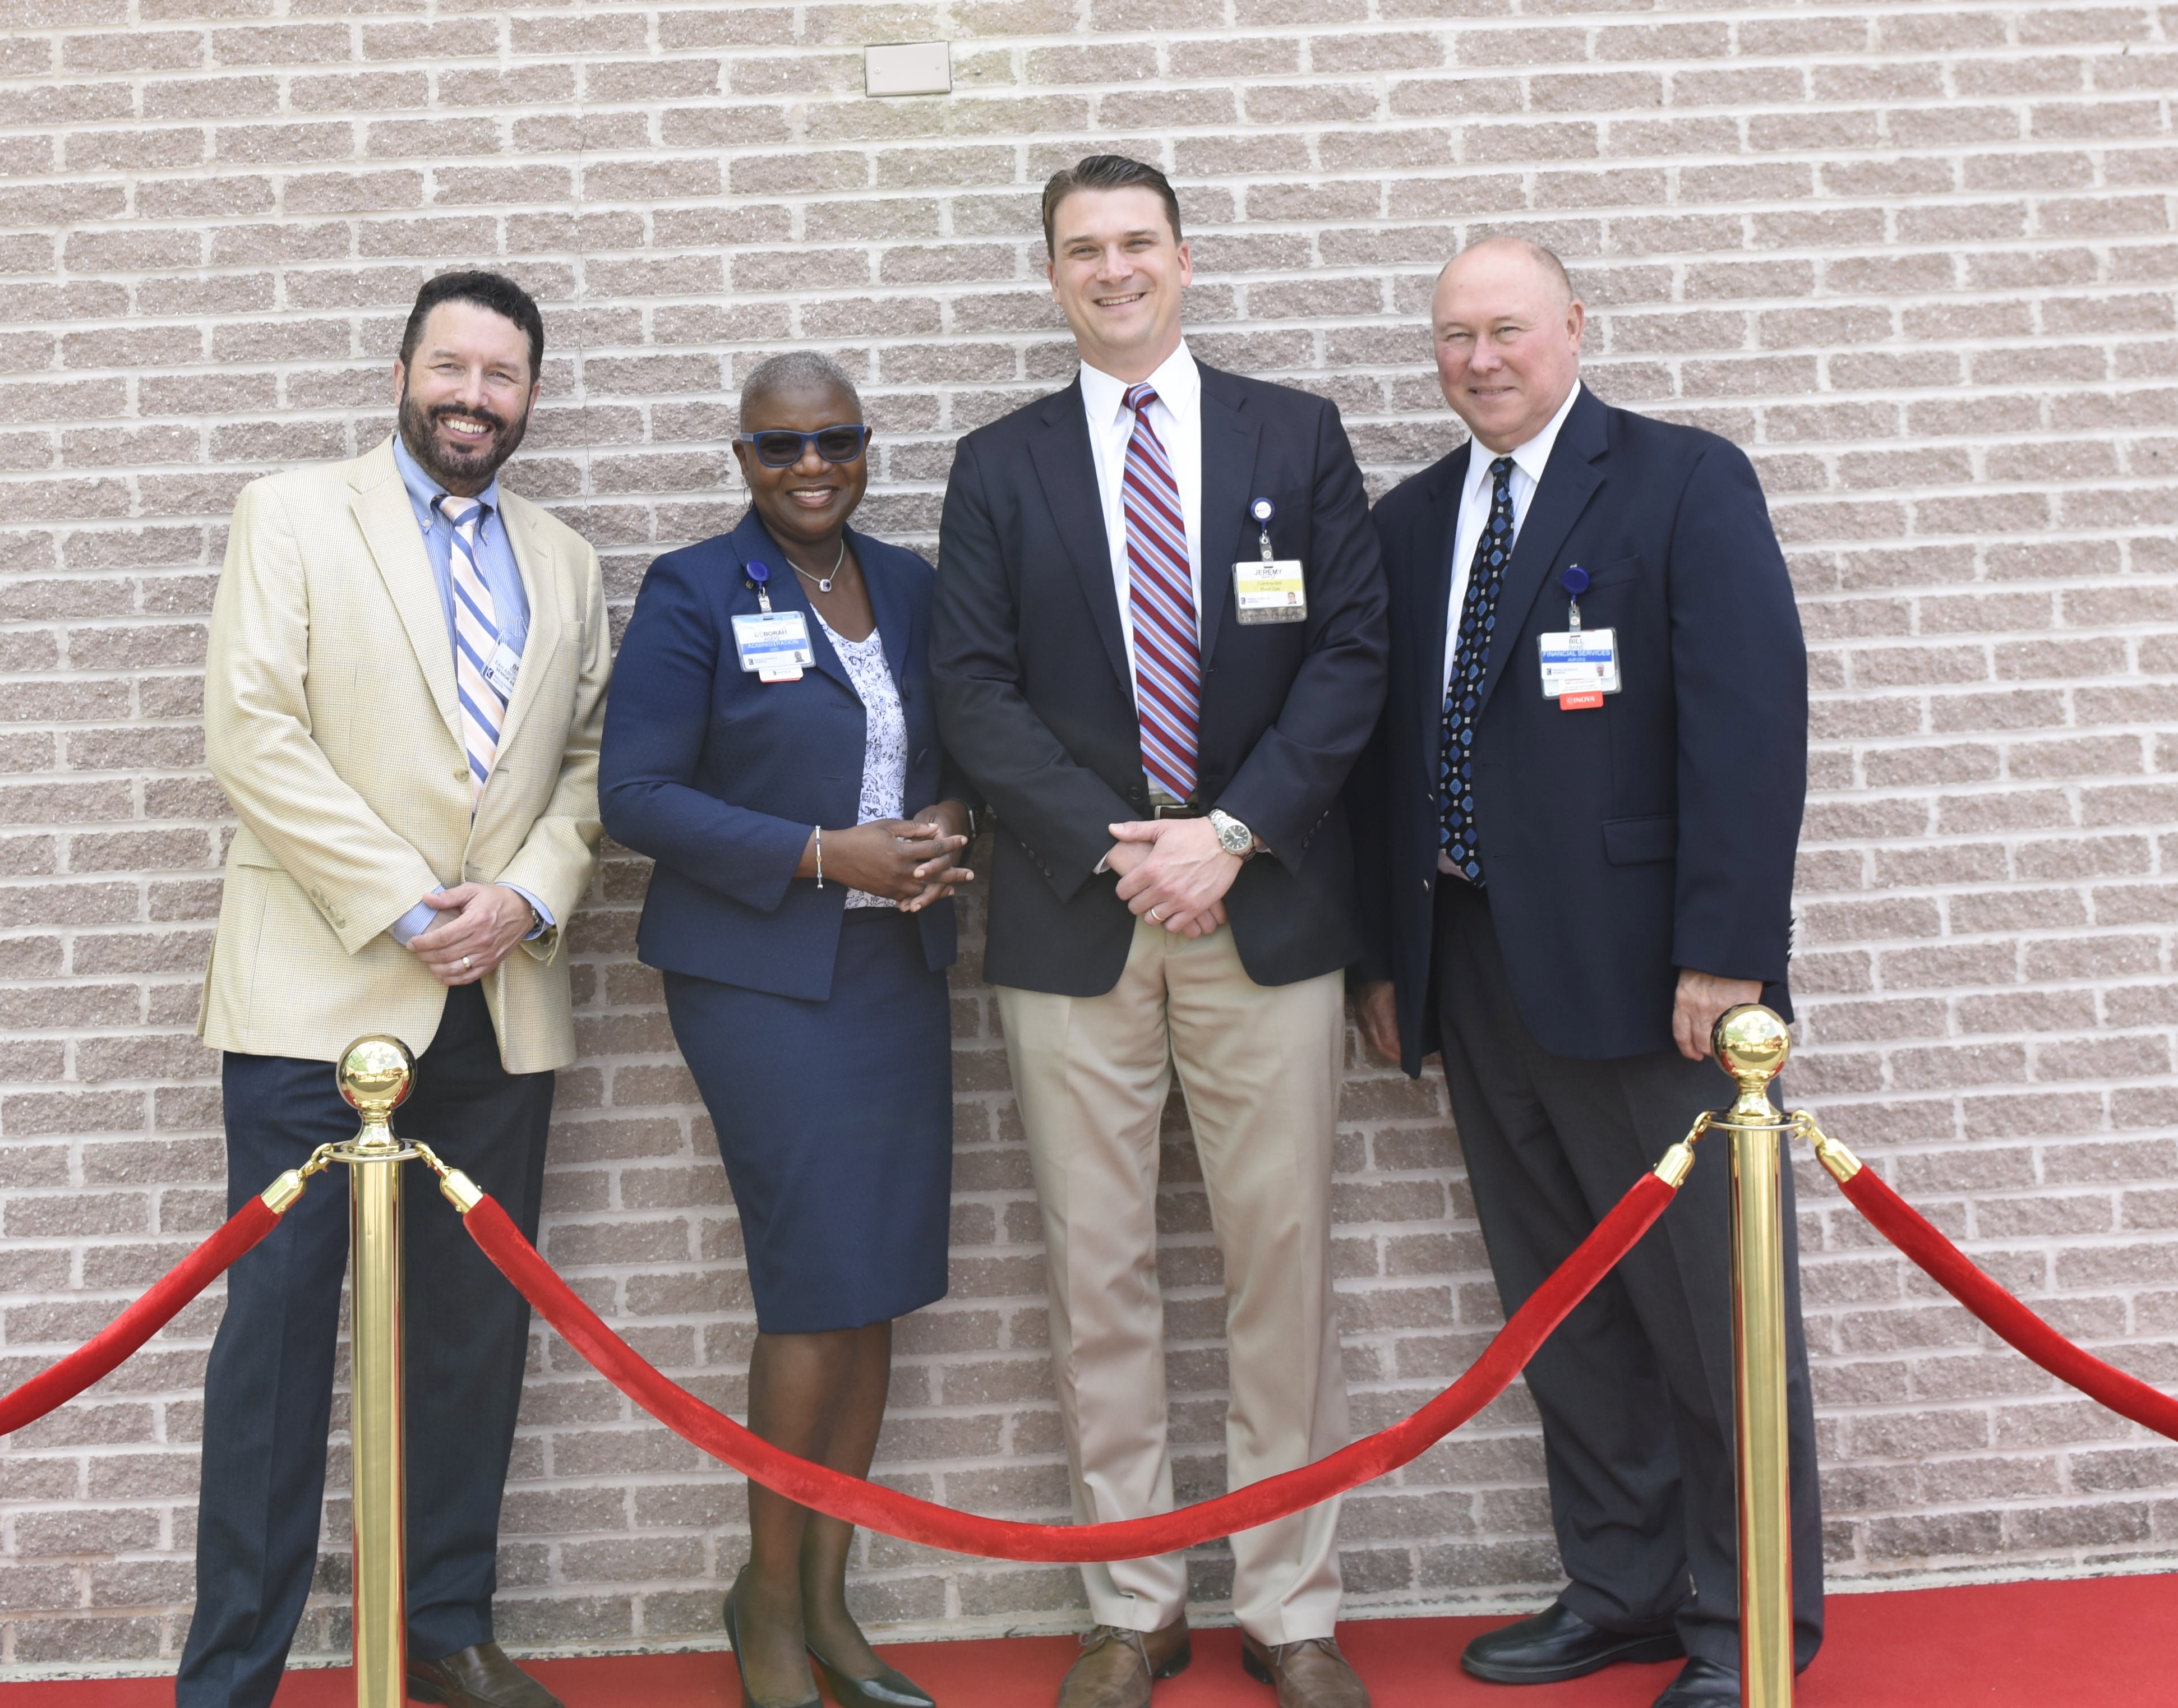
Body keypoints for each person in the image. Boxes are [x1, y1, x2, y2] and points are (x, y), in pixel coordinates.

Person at [929, 155, 1392, 1708]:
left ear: (1185, 260)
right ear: (1053, 275)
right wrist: (1124, 851)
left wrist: (1230, 836)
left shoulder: (1295, 435)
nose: (1113, 269)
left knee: (1284, 1263)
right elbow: (973, 691)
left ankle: (1290, 1602)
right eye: (1083, 249)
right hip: (1080, 924)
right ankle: (1132, 1600)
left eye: (1137, 242)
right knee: (1098, 1270)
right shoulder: (999, 467)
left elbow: (1350, 656)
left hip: (1266, 912)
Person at [1345, 239, 1821, 1708]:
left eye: (1505, 329)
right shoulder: (1415, 520)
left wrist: (1725, 955)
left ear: (1573, 330)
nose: (1478, 360)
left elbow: (1750, 729)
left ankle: (1750, 1621)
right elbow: (1382, 759)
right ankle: (1619, 1586)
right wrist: (1384, 952)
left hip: (1653, 978)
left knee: (1711, 1307)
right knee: (1565, 1301)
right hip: (1475, 964)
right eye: (1450, 338)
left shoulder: (1682, 483)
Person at [188, 270, 612, 1708]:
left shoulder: (564, 556)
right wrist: (401, 899)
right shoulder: (292, 514)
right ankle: (233, 1668)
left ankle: (446, 1626)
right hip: (322, 991)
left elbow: (587, 763)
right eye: (451, 366)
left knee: (470, 1335)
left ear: (531, 395)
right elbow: (252, 732)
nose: (472, 396)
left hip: (499, 994)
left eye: (502, 375)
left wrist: (525, 896)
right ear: (401, 371)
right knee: (278, 1344)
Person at [600, 354, 972, 1708]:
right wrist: (826, 852)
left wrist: (947, 827)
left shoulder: (914, 583)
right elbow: (632, 793)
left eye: (835, 439)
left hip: (894, 971)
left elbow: (959, 747)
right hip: (762, 981)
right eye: (779, 445)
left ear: (866, 444)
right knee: (812, 1285)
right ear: (741, 455)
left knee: (873, 1290)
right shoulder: (696, 589)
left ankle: (827, 1592)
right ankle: (761, 1598)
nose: (810, 466)